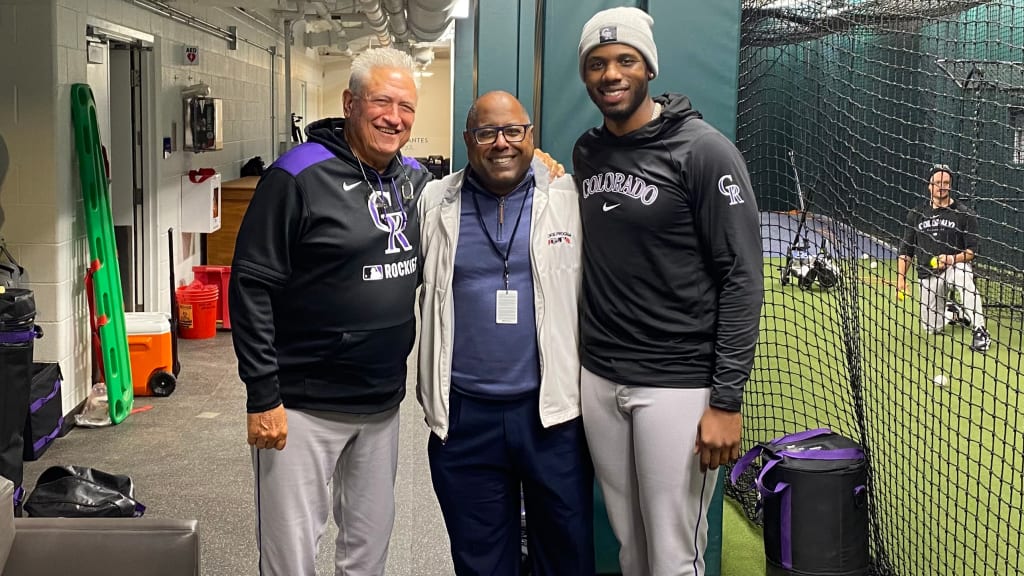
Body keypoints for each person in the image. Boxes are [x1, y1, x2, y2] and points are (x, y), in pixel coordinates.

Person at [573, 7, 764, 575]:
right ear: (585, 75)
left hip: (679, 383)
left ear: (648, 68)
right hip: (601, 377)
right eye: (598, 63)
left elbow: (742, 279)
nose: (611, 74)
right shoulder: (588, 153)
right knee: (630, 544)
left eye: (625, 60)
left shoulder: (703, 150)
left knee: (674, 552)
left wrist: (726, 402)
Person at [229, 47, 431, 576]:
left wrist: (541, 169)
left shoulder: (414, 181)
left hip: (382, 403)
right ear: (349, 103)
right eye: (381, 102)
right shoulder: (296, 176)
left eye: (406, 106)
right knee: (290, 555)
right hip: (301, 406)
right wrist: (262, 395)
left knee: (369, 549)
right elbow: (250, 286)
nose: (394, 117)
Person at [417, 91, 594, 576]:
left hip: (552, 418)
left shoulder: (569, 198)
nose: (502, 143)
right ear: (468, 140)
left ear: (531, 137)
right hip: (464, 418)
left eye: (513, 131)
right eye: (487, 132)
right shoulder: (434, 202)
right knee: (481, 562)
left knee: (565, 558)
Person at [897, 164, 991, 352]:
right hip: (928, 274)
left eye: (946, 183)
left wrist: (952, 259)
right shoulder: (916, 214)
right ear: (929, 186)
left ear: (950, 185)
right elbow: (906, 251)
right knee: (931, 328)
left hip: (954, 268)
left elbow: (972, 252)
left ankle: (980, 331)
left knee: (964, 275)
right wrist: (901, 278)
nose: (942, 186)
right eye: (938, 182)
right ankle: (952, 312)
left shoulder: (964, 214)